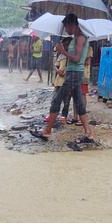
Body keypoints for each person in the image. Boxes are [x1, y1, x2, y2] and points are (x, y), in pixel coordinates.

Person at [33, 14, 93, 142]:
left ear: (72, 24)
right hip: (73, 73)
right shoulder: (76, 37)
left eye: (66, 26)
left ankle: (47, 131)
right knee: (80, 104)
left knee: (57, 100)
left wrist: (63, 51)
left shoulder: (80, 38)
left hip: (74, 73)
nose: (66, 30)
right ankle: (88, 133)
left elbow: (76, 59)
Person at [52, 38, 72, 123]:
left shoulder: (72, 56)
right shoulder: (61, 56)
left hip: (67, 82)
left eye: (67, 44)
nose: (65, 46)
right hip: (58, 81)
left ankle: (64, 116)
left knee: (66, 101)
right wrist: (58, 71)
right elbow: (55, 65)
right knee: (55, 99)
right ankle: (53, 114)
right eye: (64, 45)